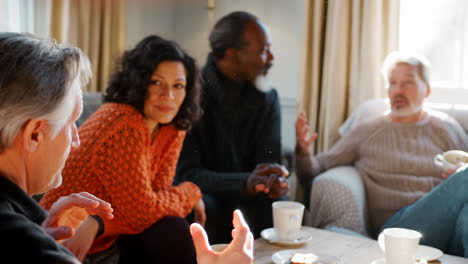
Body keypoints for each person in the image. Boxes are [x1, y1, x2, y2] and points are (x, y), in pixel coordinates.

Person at [40, 35, 205, 263]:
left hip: (107, 233)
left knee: (170, 227)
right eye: (156, 82)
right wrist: (190, 192)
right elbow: (143, 212)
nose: (168, 96)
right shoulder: (122, 121)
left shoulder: (171, 127)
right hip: (67, 238)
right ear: (138, 81)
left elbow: (155, 203)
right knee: (172, 229)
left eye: (178, 86)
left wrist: (99, 223)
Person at [296, 51, 468, 256]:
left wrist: (457, 176)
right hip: (396, 230)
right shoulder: (367, 131)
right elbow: (314, 169)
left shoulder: (446, 128)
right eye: (392, 82)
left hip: (443, 227)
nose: (397, 90)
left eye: (407, 82)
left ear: (427, 90)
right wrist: (303, 151)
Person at [0, 32, 114, 263]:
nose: (76, 140)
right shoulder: (25, 245)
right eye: (71, 122)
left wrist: (37, 228)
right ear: (35, 134)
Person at [176, 11, 289, 244]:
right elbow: (187, 175)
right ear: (232, 55)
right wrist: (244, 182)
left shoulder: (268, 99)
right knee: (203, 206)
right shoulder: (188, 94)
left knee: (279, 206)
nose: (271, 57)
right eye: (263, 50)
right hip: (206, 196)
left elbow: (268, 159)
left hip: (250, 198)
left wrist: (274, 179)